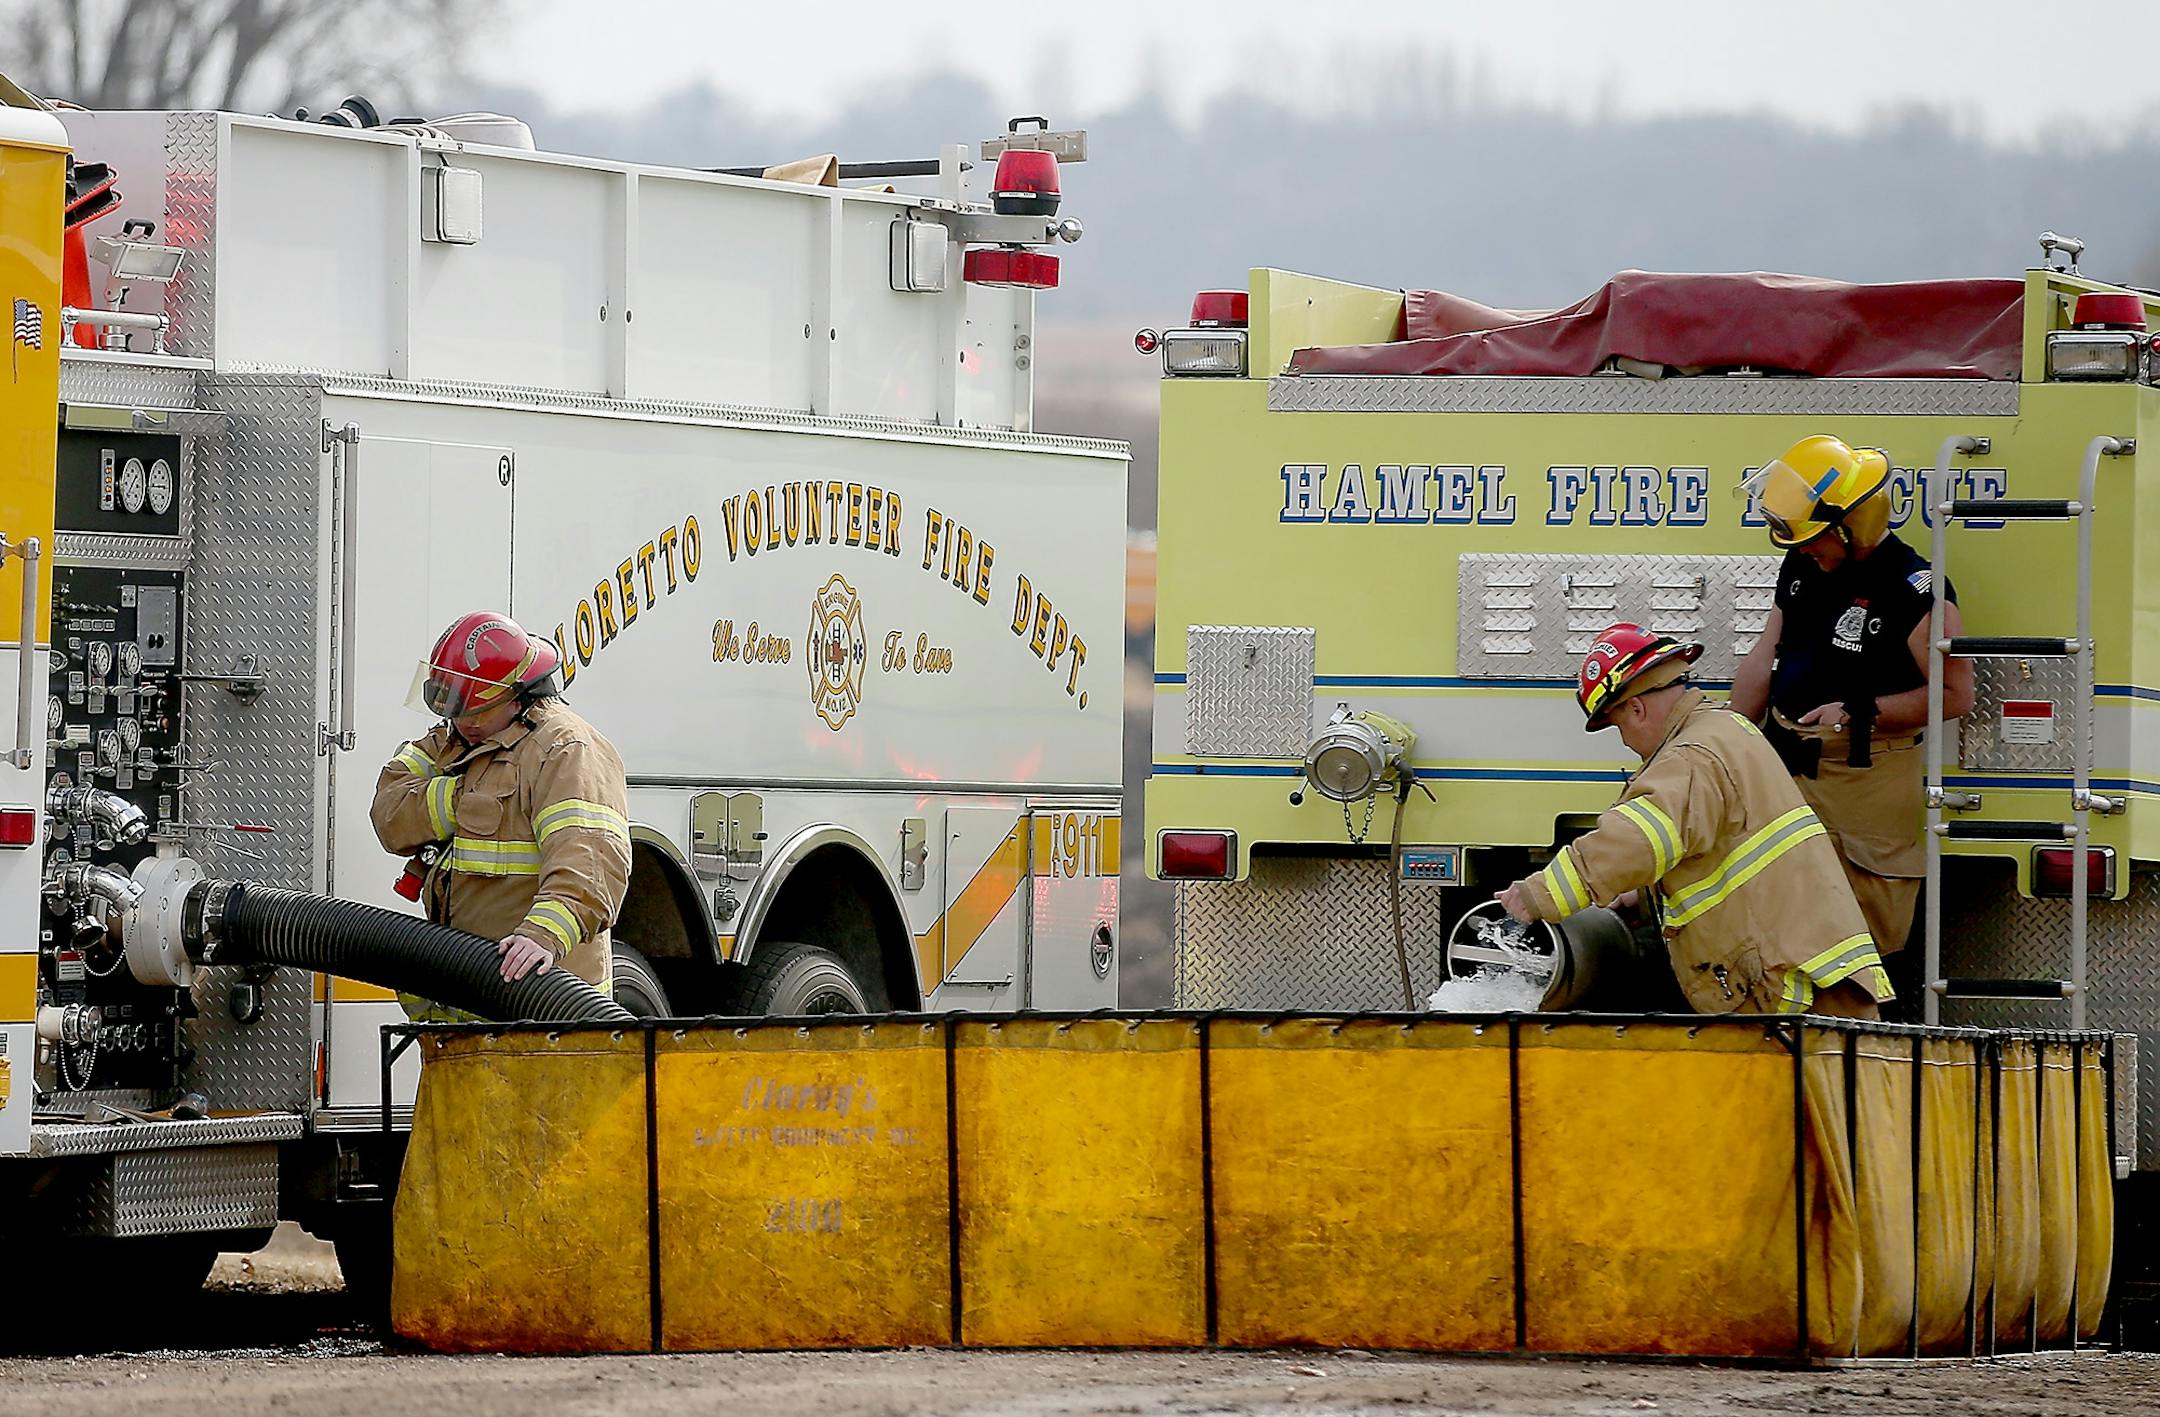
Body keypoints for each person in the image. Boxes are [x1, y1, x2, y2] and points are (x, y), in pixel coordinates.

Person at [1496, 624, 1892, 1018]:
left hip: (1788, 988)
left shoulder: (1690, 757)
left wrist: (1538, 895)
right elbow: (1717, 844)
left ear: (1637, 708)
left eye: (1617, 725)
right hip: (1813, 973)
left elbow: (1635, 839)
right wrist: (1642, 894)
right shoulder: (1726, 729)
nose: (1624, 741)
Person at [1729, 435, 1974, 997]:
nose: (1806, 550)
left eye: (1817, 539)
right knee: (1777, 926)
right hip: (1789, 771)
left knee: (1856, 945)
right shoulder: (1803, 562)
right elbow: (1768, 652)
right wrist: (1729, 733)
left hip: (1864, 782)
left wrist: (1860, 711)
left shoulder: (1915, 591)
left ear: (1853, 524)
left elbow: (1956, 694)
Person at [372, 611, 633, 1021]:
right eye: (454, 707)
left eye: (475, 710)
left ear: (518, 696)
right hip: (467, 1017)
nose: (462, 721)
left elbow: (591, 862)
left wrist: (542, 936)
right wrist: (460, 799)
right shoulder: (456, 739)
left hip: (542, 1008)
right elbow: (389, 815)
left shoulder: (566, 749)